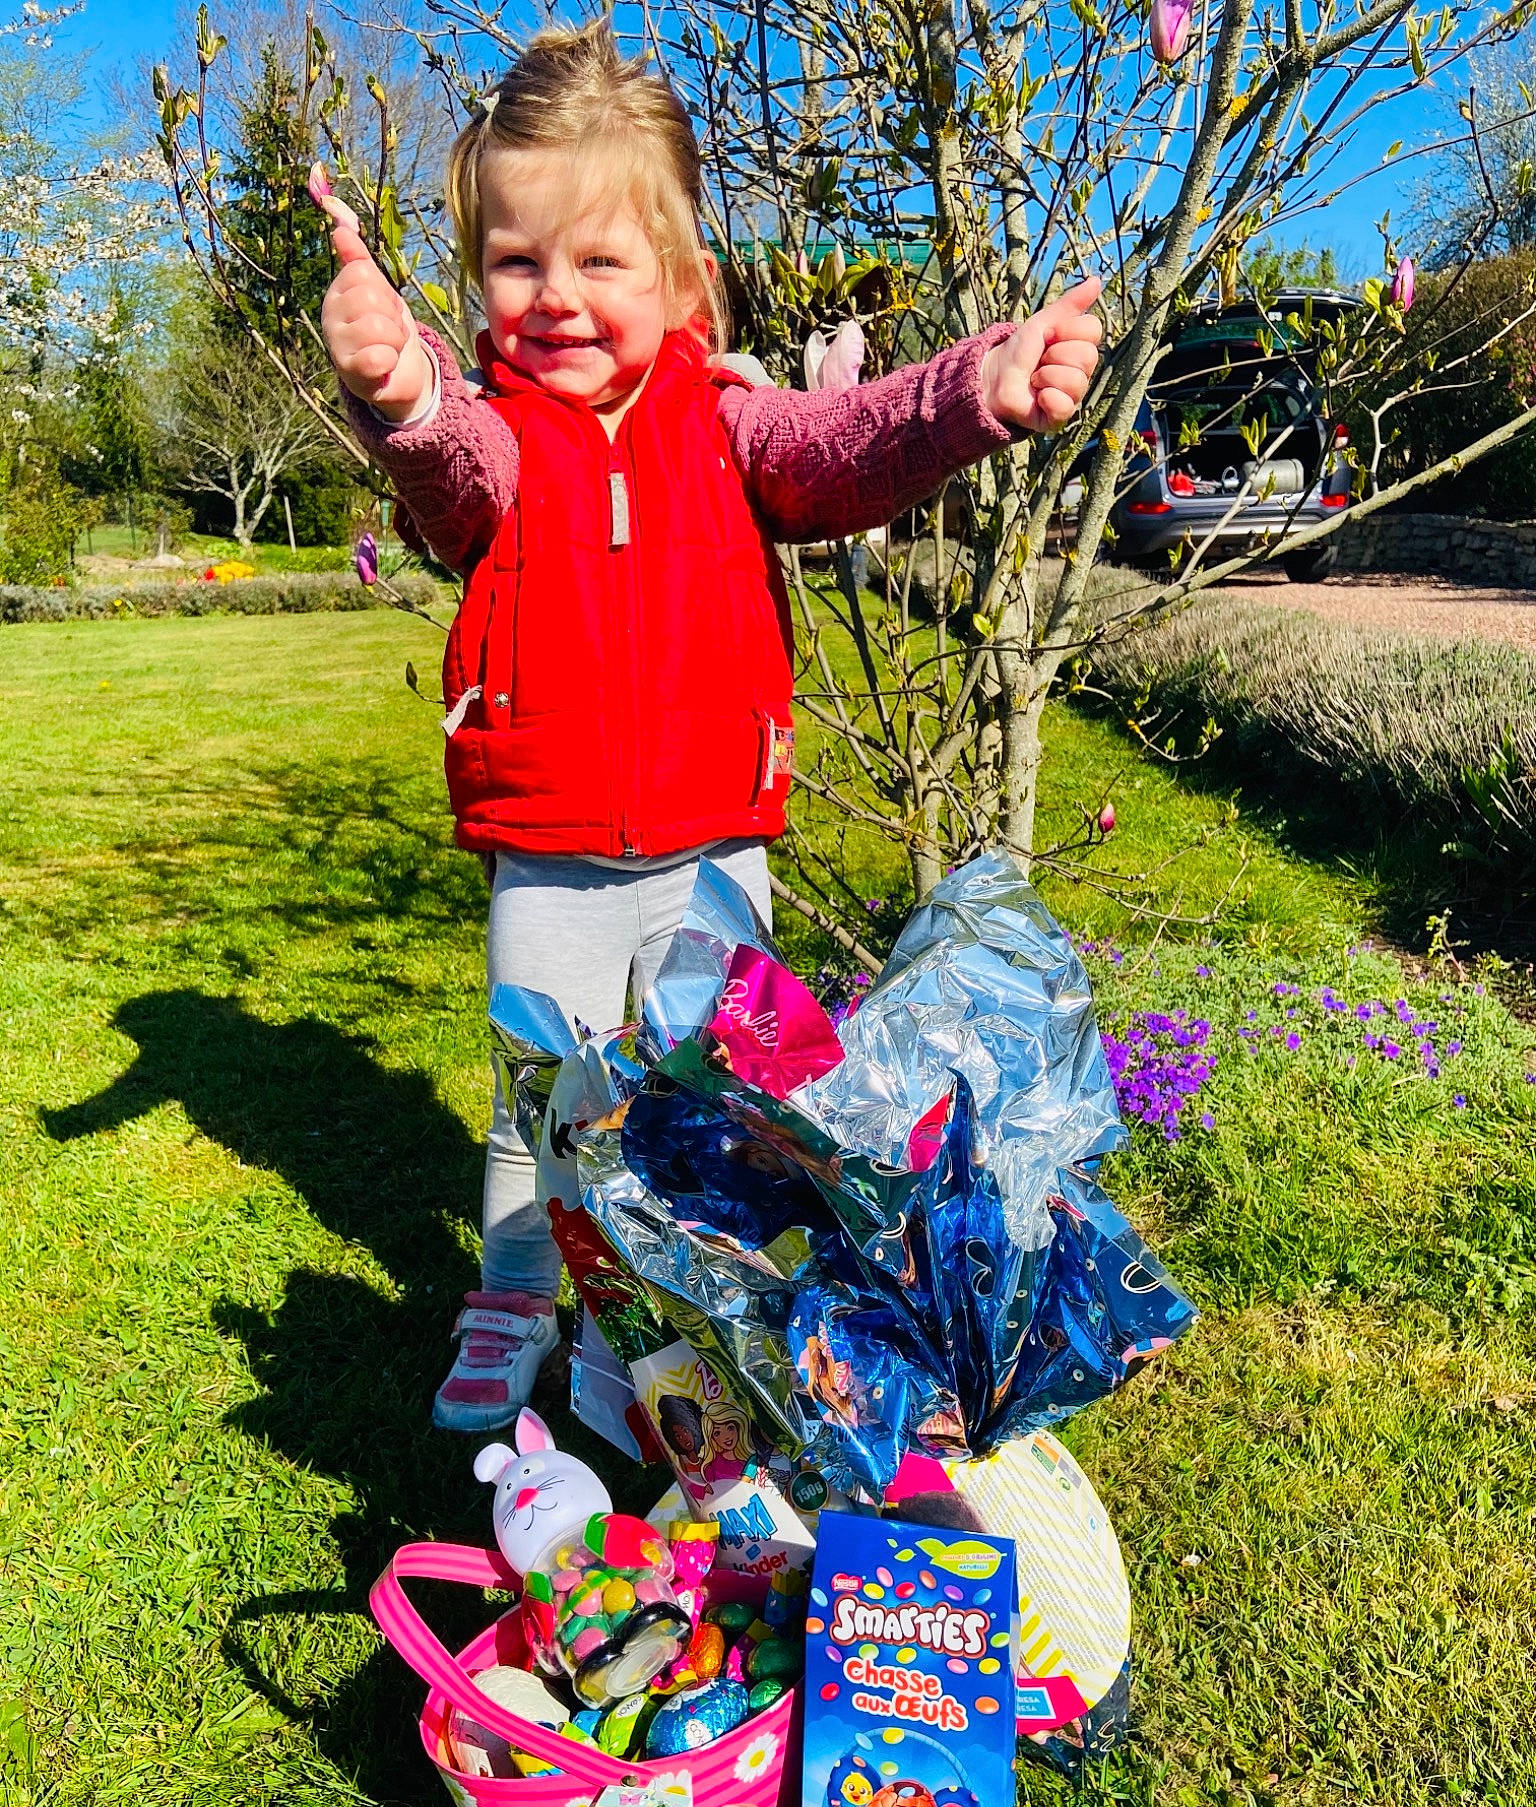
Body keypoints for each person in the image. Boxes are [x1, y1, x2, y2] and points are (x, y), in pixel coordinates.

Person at [316, 21, 1102, 1431]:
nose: (554, 297)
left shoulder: (730, 425)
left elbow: (853, 441)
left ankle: (662, 1332)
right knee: (542, 1104)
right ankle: (508, 1291)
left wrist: (978, 391)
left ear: (679, 278)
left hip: (710, 854)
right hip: (548, 847)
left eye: (598, 261)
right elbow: (450, 472)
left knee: (693, 1123)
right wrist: (403, 392)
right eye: (516, 261)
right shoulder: (502, 433)